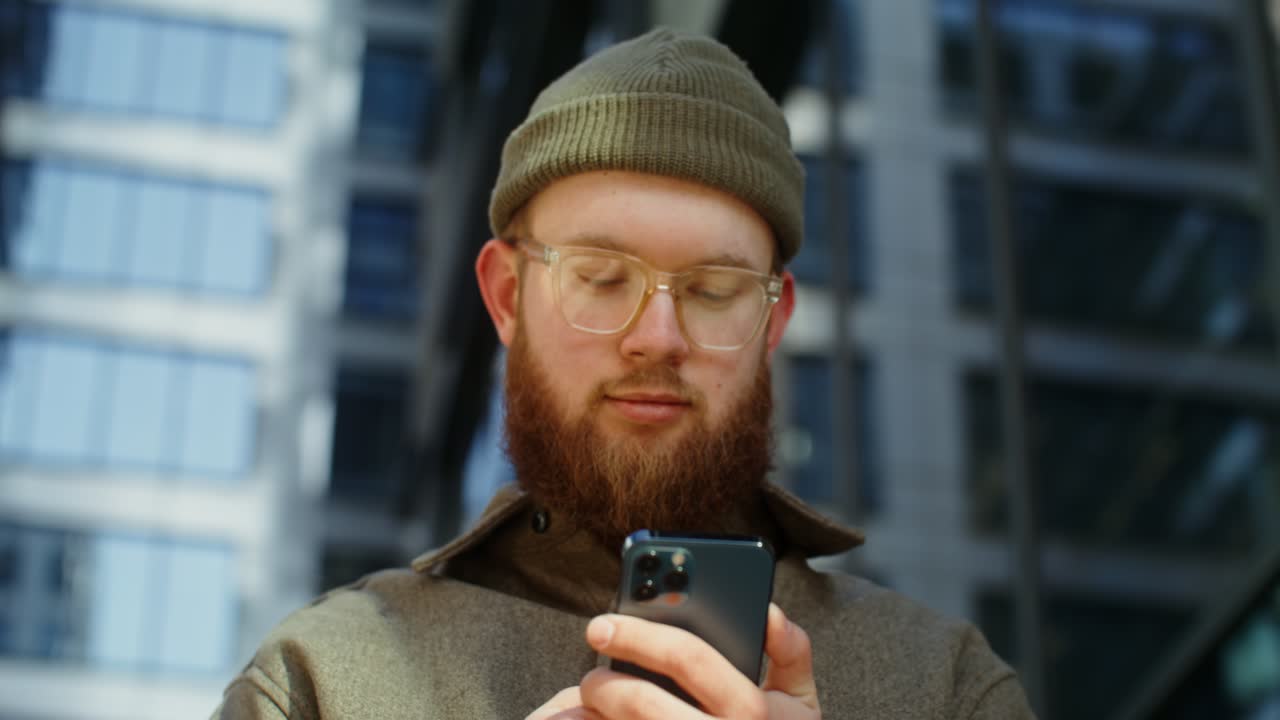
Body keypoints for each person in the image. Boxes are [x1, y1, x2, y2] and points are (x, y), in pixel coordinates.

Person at [213, 27, 1036, 719]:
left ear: (773, 322)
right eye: (602, 279)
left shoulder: (945, 686)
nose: (658, 337)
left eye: (714, 291)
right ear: (507, 297)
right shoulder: (320, 681)